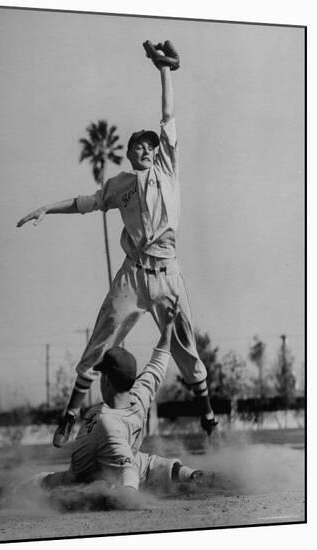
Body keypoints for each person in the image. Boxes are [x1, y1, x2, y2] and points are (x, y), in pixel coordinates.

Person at [17, 40, 217, 447]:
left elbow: (167, 115)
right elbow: (85, 203)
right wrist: (45, 208)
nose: (145, 148)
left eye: (149, 144)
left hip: (168, 272)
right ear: (127, 153)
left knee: (185, 345)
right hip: (134, 273)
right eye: (137, 145)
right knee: (102, 336)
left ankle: (209, 417)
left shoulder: (168, 169)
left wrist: (164, 70)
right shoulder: (120, 185)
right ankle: (70, 415)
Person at [16, 299, 203, 498]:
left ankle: (182, 478)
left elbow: (127, 470)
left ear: (107, 380)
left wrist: (130, 496)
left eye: (102, 375)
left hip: (82, 481)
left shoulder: (107, 421)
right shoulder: (141, 393)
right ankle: (192, 476)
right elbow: (160, 358)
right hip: (120, 463)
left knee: (96, 484)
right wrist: (168, 326)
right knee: (151, 465)